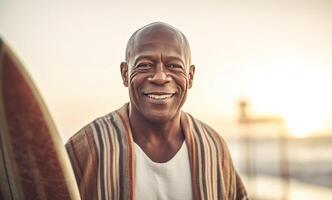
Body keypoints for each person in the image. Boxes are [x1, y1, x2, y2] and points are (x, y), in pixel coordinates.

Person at [65, 22, 248, 200]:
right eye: (144, 65)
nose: (160, 77)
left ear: (190, 77)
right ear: (125, 74)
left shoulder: (213, 148)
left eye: (174, 66)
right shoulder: (87, 148)